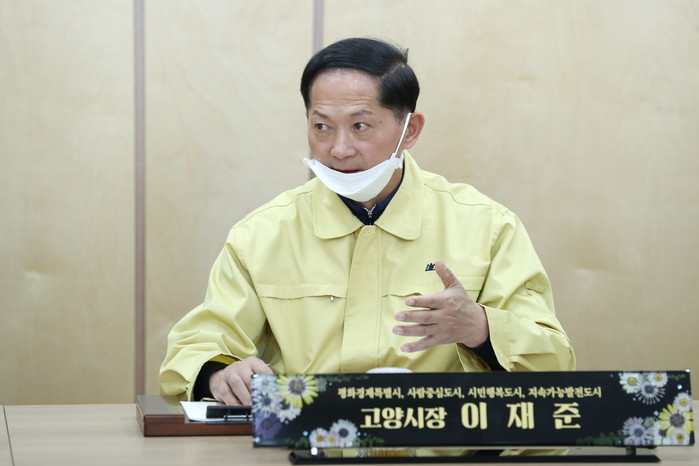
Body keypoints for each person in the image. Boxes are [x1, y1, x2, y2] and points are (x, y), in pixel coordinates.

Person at [159, 37, 575, 405]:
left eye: (361, 126)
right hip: (301, 446)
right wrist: (219, 373)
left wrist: (480, 328)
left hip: (439, 450)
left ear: (410, 130)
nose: (339, 149)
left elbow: (555, 361)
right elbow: (197, 346)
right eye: (322, 126)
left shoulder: (486, 227)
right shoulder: (263, 233)